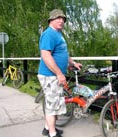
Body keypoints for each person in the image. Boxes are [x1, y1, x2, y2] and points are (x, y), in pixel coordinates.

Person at [37, 9, 82, 137]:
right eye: (58, 18)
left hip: (54, 75)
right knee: (52, 105)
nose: (61, 21)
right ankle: (52, 133)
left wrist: (73, 63)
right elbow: (46, 56)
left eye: (63, 19)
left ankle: (47, 128)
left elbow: (63, 53)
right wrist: (59, 73)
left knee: (54, 102)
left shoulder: (58, 34)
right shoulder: (49, 34)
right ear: (51, 20)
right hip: (49, 75)